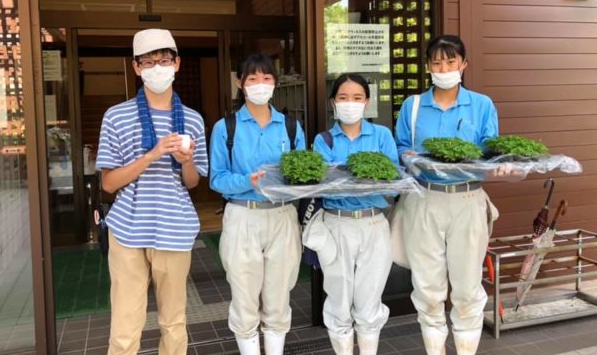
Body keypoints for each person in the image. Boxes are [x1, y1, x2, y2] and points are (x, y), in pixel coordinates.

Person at [96, 29, 208, 355]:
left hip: (175, 227)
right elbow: (108, 183)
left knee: (174, 322)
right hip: (127, 230)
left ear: (177, 64)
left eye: (164, 60)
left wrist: (186, 162)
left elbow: (192, 183)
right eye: (149, 62)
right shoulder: (116, 116)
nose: (157, 68)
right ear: (136, 68)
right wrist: (152, 154)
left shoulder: (192, 120)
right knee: (125, 324)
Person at [394, 35, 499, 355]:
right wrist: (408, 156)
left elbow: (491, 149)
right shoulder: (412, 107)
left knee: (467, 287)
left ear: (463, 65)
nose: (444, 68)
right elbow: (399, 147)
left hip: (467, 200)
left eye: (450, 62)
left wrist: (502, 164)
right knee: (427, 287)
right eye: (437, 62)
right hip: (424, 199)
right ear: (428, 67)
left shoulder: (481, 104)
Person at [209, 54, 306, 355]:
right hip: (243, 216)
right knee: (244, 296)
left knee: (279, 296)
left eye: (266, 78)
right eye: (252, 79)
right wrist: (246, 182)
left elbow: (303, 172)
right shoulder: (226, 127)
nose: (260, 84)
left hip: (282, 216)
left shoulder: (290, 126)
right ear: (240, 84)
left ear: (275, 83)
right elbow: (216, 178)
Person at [306, 73, 398, 355]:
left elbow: (393, 183)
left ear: (366, 102)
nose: (350, 104)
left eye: (357, 98)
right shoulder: (324, 140)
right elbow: (323, 185)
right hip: (336, 225)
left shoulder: (381, 135)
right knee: (339, 299)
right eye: (343, 98)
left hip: (373, 224)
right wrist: (362, 182)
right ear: (333, 102)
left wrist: (350, 181)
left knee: (370, 298)